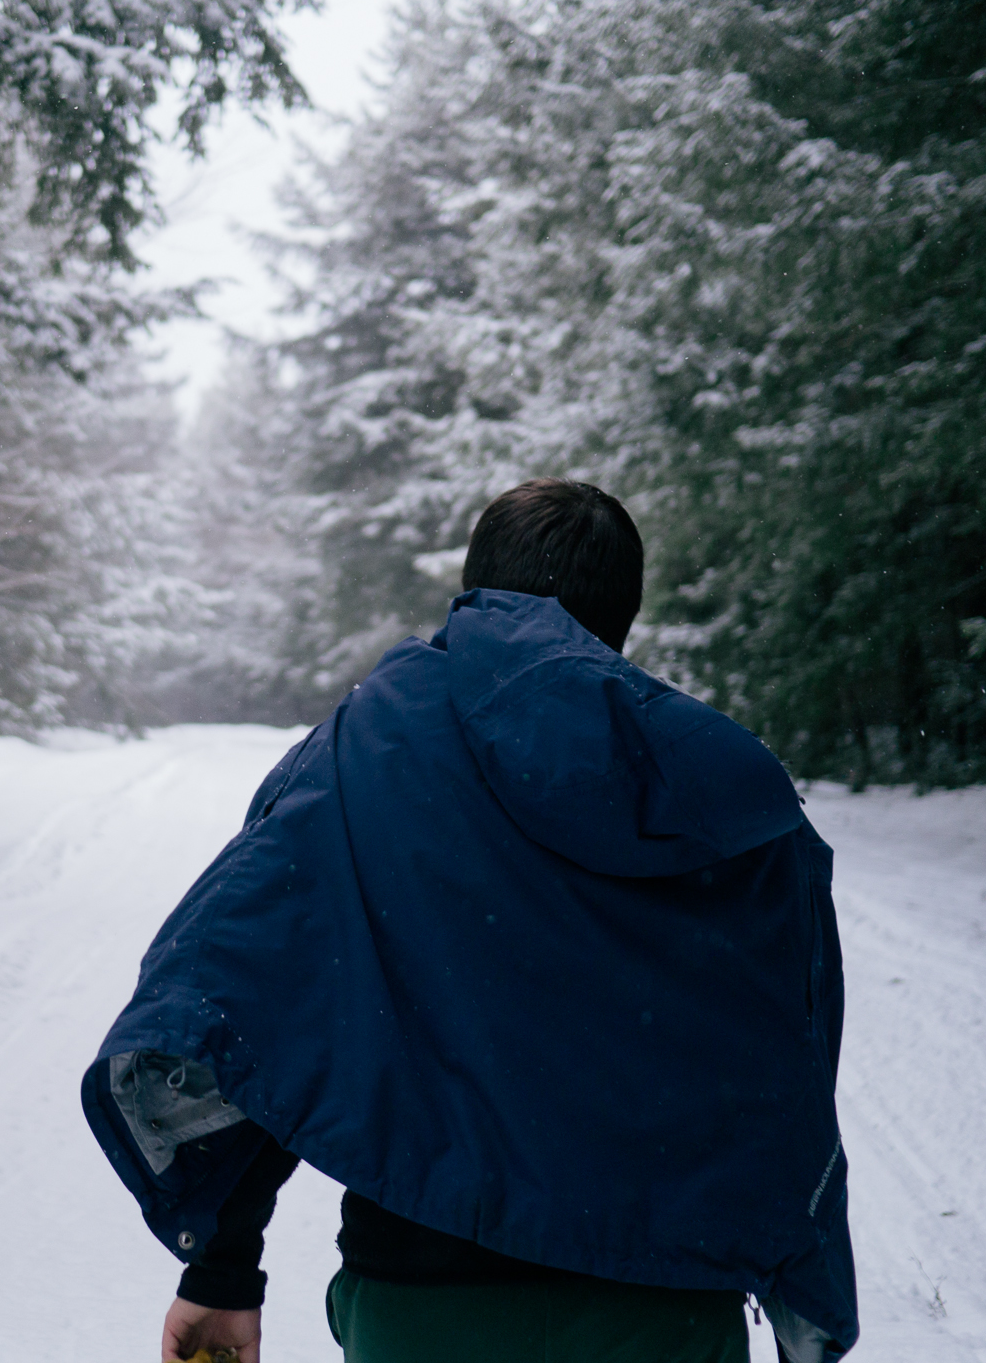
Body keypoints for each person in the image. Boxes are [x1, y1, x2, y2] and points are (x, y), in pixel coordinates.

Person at [82, 479, 856, 1363]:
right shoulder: (721, 784)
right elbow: (787, 1048)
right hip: (667, 1306)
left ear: (474, 584)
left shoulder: (367, 748)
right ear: (626, 612)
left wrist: (222, 1267)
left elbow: (257, 993)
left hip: (425, 1302)